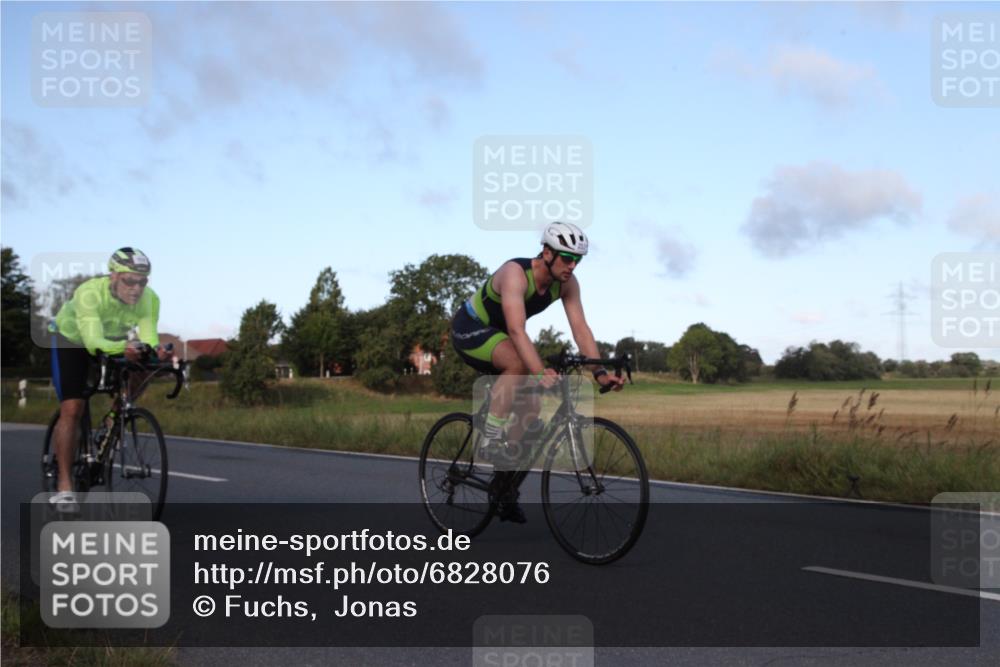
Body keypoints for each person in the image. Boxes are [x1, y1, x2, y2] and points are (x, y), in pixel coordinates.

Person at [450, 222, 624, 523]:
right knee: (518, 364)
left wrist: (599, 373)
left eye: (578, 259)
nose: (572, 265)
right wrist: (540, 371)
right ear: (547, 252)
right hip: (471, 329)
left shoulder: (567, 283)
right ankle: (489, 438)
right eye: (567, 258)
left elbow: (581, 330)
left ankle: (503, 488)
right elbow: (517, 330)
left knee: (531, 414)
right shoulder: (515, 274)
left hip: (503, 337)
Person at [48, 247, 169, 511]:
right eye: (130, 280)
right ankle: (65, 487)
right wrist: (125, 349)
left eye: (143, 281)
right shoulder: (90, 293)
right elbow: (92, 342)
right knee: (73, 407)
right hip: (73, 340)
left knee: (144, 365)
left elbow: (148, 338)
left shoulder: (150, 299)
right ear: (113, 276)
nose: (136, 288)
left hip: (112, 339)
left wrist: (153, 351)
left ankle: (114, 417)